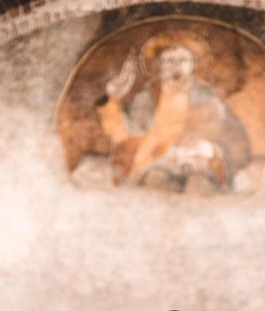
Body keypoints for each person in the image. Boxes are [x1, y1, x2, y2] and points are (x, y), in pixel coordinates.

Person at [96, 34, 251, 192]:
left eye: (183, 60)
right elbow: (124, 137)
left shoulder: (209, 98)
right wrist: (111, 99)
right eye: (169, 61)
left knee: (200, 186)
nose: (176, 66)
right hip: (154, 163)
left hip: (200, 166)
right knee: (156, 180)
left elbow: (238, 142)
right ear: (159, 66)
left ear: (193, 65)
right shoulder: (146, 98)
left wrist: (212, 150)